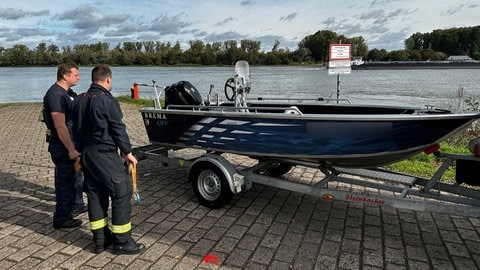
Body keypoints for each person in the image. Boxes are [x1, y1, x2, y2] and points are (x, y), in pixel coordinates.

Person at [77, 65, 145, 254]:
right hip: (104, 153)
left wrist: (79, 154)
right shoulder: (107, 101)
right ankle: (122, 242)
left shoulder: (80, 100)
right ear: (108, 79)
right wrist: (127, 152)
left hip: (87, 153)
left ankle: (100, 240)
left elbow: (74, 128)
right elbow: (117, 128)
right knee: (121, 190)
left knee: (95, 193)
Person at [43, 63, 87, 229]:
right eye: (75, 75)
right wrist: (70, 149)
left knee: (72, 179)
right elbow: (60, 126)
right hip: (62, 146)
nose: (78, 78)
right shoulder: (55, 95)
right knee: (65, 183)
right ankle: (61, 218)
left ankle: (71, 209)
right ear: (65, 75)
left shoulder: (66, 93)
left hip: (69, 143)